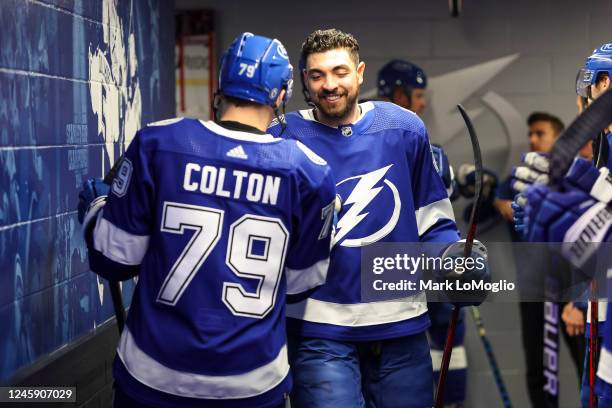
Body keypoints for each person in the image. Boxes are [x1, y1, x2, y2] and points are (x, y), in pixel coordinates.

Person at [78, 32, 336, 408]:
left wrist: (96, 209)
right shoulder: (309, 171)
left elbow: (113, 260)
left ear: (221, 84)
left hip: (154, 373)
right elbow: (300, 284)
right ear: (281, 95)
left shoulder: (159, 142)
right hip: (252, 380)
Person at [269, 28, 490, 408]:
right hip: (320, 330)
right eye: (317, 75)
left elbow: (432, 222)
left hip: (401, 327)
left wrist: (456, 261)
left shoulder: (403, 128)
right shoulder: (283, 137)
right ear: (304, 80)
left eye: (340, 72)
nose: (329, 85)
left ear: (359, 73)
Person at [514, 42, 612, 407]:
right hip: (600, 319)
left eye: (587, 91)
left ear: (604, 84)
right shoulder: (603, 152)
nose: (580, 104)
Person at [377, 59, 468, 407]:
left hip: (423, 266)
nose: (423, 102)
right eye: (416, 95)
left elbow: (434, 197)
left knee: (447, 342)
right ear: (399, 94)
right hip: (392, 275)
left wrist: (458, 182)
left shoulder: (419, 143)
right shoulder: (374, 146)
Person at [497, 112, 586, 407]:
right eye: (530, 134)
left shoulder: (579, 177)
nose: (533, 139)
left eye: (540, 133)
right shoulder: (517, 178)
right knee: (539, 366)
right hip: (534, 286)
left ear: (558, 138)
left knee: (586, 359)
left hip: (572, 285)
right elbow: (504, 204)